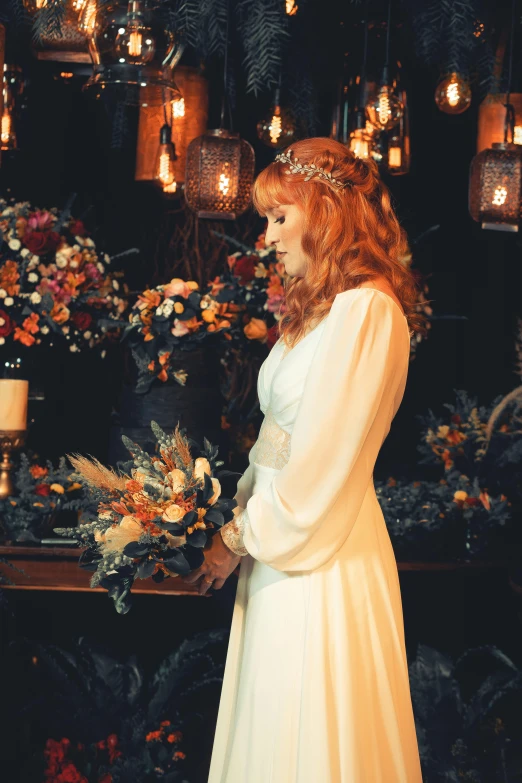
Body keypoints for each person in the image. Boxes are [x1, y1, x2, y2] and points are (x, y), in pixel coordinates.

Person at [181, 138, 427, 782]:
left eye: (278, 218)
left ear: (325, 212)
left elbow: (322, 461)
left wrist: (237, 536)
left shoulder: (368, 310)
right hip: (277, 547)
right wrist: (222, 514)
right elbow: (275, 444)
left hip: (322, 550)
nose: (267, 237)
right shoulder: (321, 312)